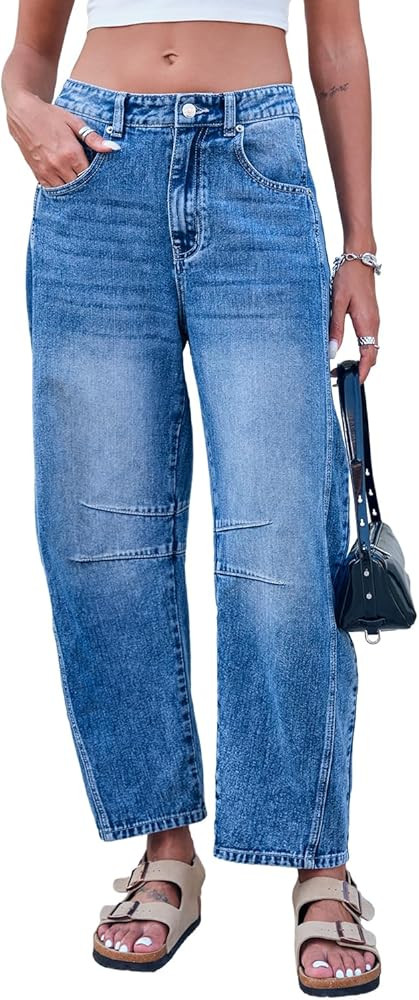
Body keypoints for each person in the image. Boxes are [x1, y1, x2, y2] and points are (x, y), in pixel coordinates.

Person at [2, 0, 382, 992]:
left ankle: (318, 860)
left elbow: (336, 38)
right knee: (99, 534)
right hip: (95, 171)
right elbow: (30, 49)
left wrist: (359, 245)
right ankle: (164, 852)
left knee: (283, 540)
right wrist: (22, 107)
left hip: (256, 165)